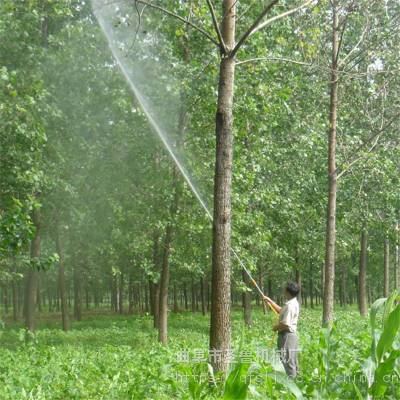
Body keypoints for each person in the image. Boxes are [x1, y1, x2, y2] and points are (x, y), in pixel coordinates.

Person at [263, 281, 300, 378]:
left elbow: (285, 324)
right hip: (291, 336)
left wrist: (275, 327)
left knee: (288, 362)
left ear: (288, 291)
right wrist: (270, 301)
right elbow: (281, 311)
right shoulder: (292, 303)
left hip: (286, 336)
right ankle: (297, 382)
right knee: (292, 361)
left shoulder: (290, 305)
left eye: (284, 288)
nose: (283, 290)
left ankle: (292, 387)